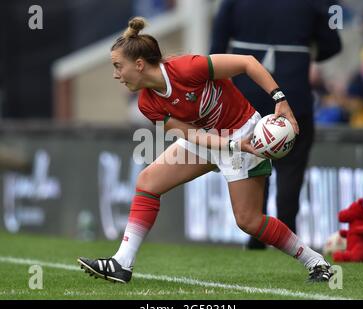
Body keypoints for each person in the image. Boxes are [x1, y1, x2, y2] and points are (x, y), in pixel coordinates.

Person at [77, 17, 332, 283]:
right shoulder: (147, 104)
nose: (116, 74)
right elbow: (191, 135)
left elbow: (247, 63)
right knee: (147, 182)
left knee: (249, 221)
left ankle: (316, 262)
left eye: (118, 66)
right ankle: (122, 263)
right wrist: (230, 146)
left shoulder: (187, 68)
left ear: (139, 64)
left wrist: (280, 100)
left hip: (243, 131)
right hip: (212, 140)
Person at [210, 0, 342, 249]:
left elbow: (216, 48)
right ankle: (287, 234)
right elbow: (332, 44)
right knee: (291, 168)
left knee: (252, 157)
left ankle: (257, 233)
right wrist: (303, 49)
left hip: (244, 99)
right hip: (294, 96)